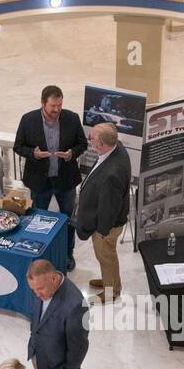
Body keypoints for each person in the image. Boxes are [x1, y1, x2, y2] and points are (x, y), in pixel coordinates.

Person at [14, 85, 88, 269]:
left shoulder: (71, 118)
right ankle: (40, 255)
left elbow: (82, 144)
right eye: (53, 106)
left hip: (66, 180)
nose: (57, 110)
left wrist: (72, 153)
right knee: (37, 221)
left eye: (60, 105)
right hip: (40, 181)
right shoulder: (28, 120)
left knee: (68, 221)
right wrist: (34, 154)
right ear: (42, 103)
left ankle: (67, 255)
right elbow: (18, 146)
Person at [75, 123, 131, 299]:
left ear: (100, 144)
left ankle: (110, 292)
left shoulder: (112, 174)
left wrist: (102, 231)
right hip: (108, 223)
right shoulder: (117, 148)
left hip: (105, 227)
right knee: (108, 257)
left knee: (105, 257)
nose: (89, 139)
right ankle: (112, 282)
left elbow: (109, 208)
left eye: (91, 138)